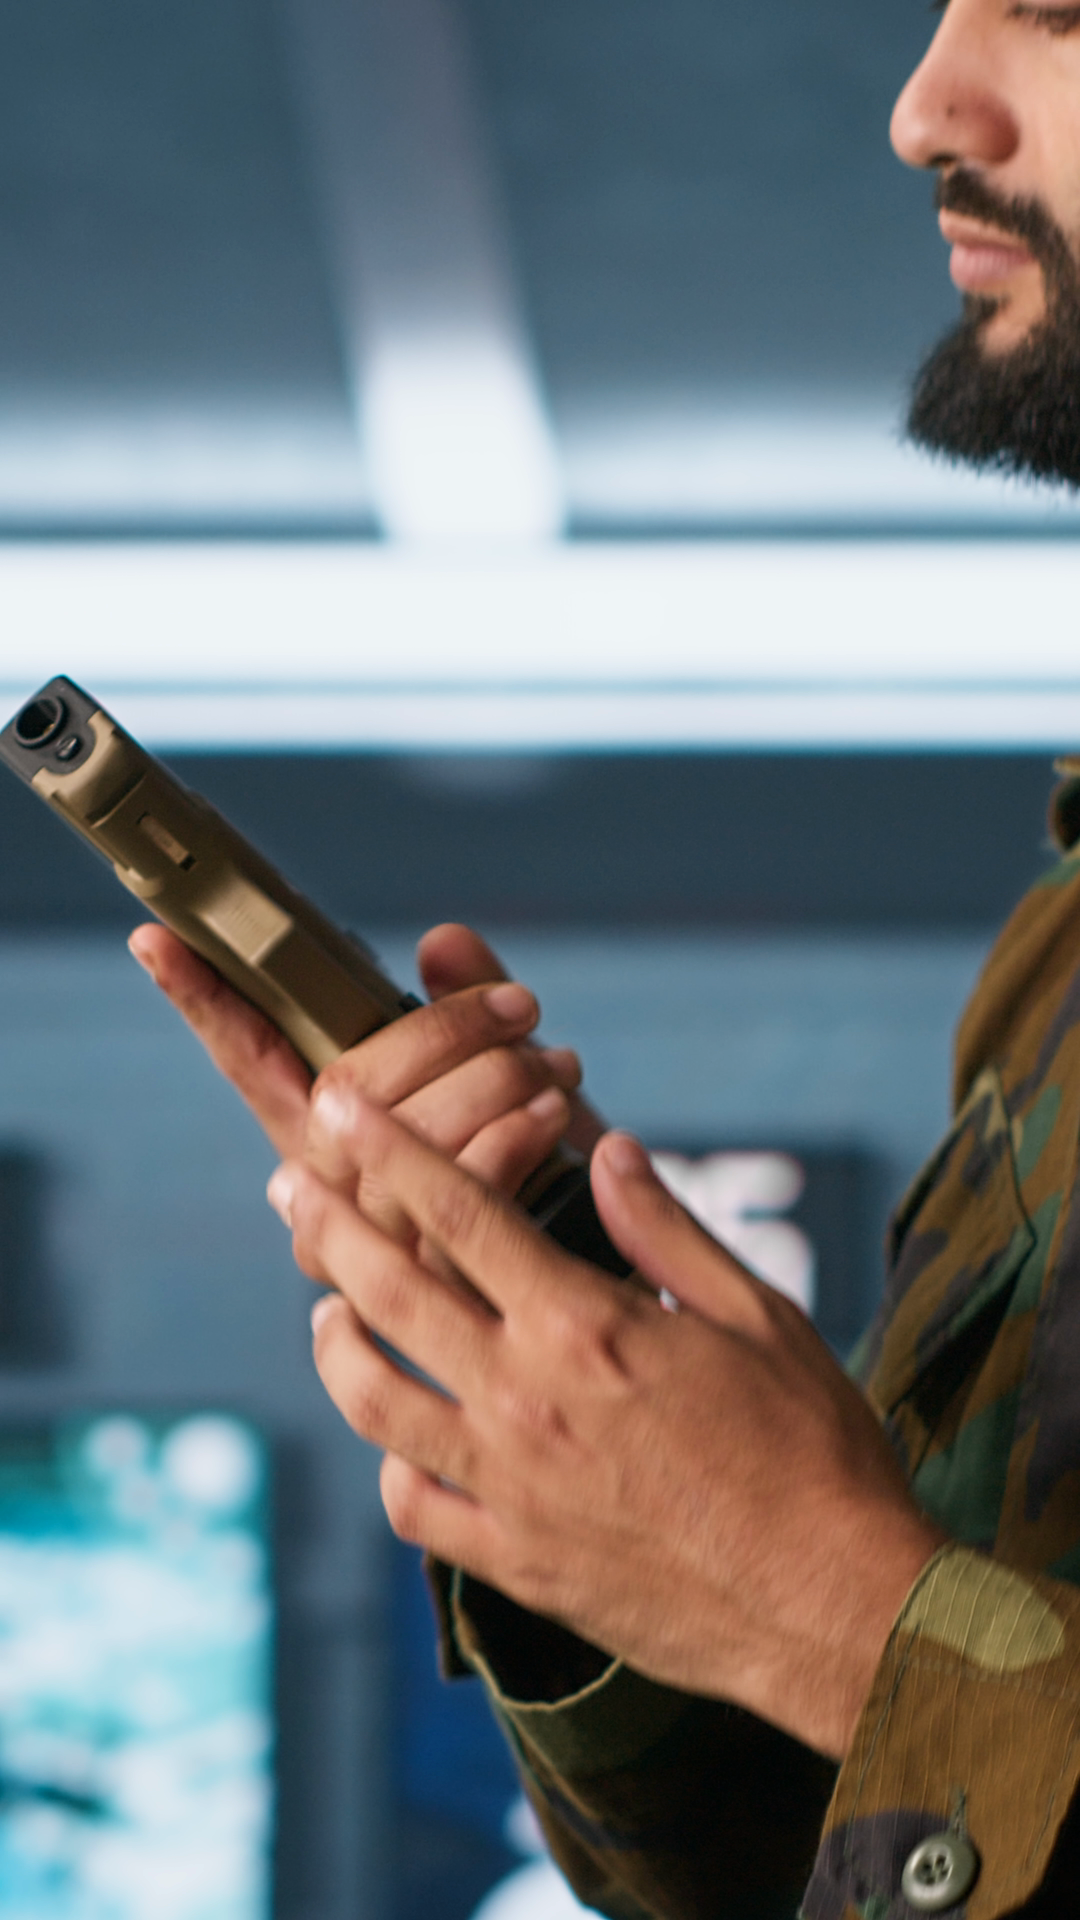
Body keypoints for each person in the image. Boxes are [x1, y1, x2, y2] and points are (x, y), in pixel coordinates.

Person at [128, 0, 1080, 1912]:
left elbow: (885, 1667)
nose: (925, 109)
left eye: (1056, 13)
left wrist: (829, 1606)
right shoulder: (1054, 961)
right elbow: (832, 1857)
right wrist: (621, 1483)